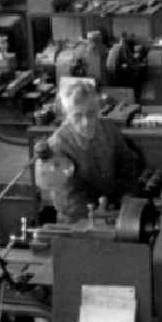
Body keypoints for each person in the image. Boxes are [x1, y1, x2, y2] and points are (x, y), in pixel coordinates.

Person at [46, 79, 143, 223]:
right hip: (78, 220)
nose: (86, 122)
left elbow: (127, 164)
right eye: (77, 116)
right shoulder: (57, 146)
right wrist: (97, 214)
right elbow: (66, 196)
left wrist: (126, 196)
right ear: (66, 116)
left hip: (113, 212)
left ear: (99, 109)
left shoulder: (109, 129)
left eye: (91, 114)